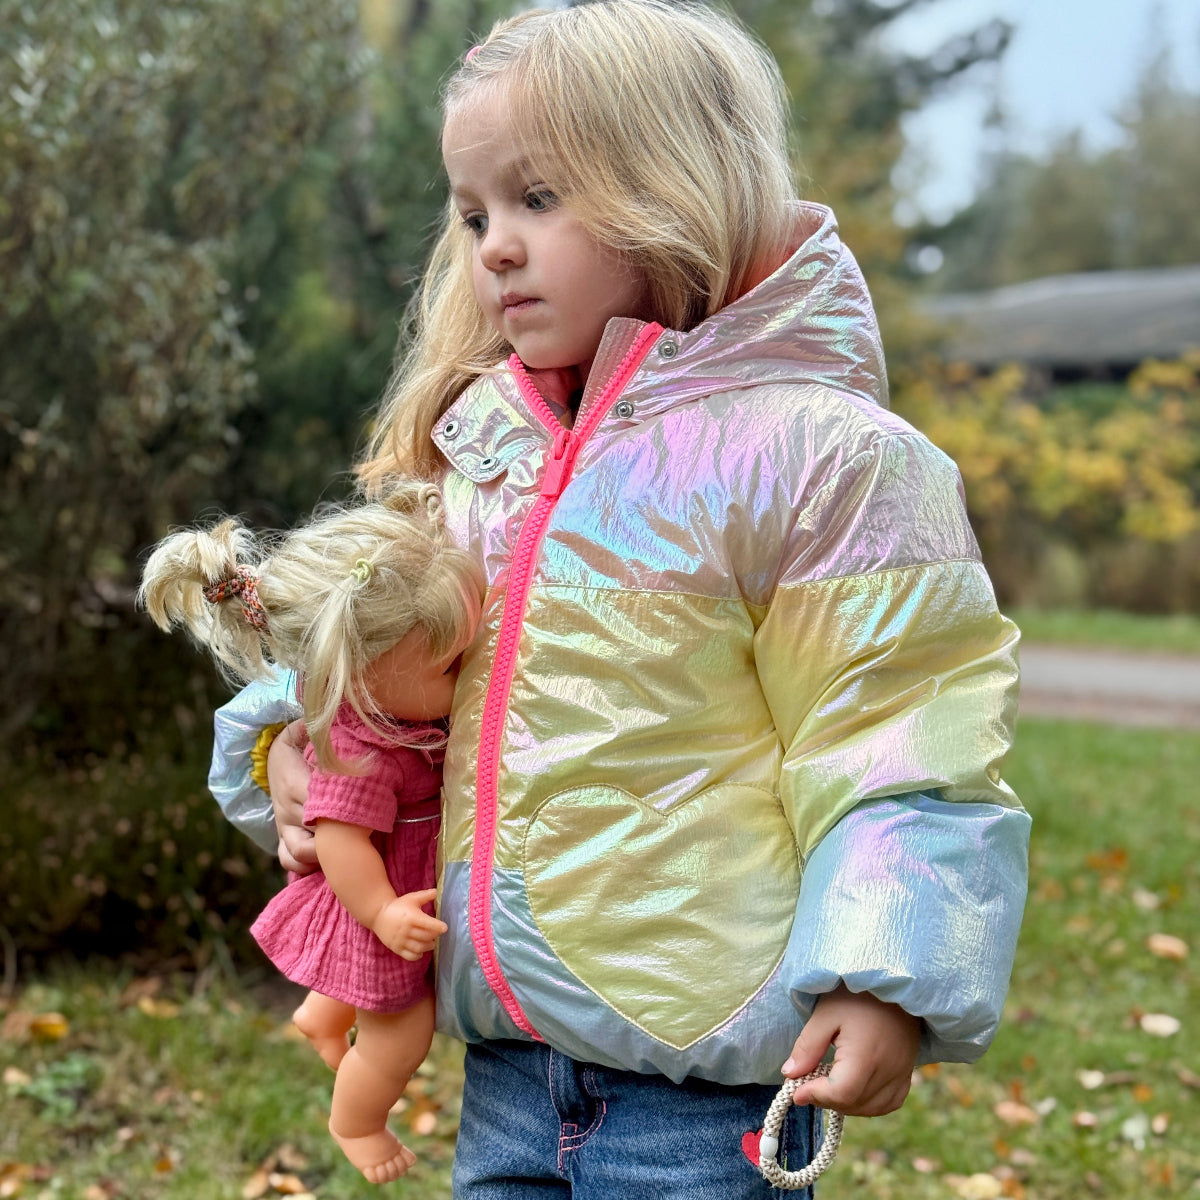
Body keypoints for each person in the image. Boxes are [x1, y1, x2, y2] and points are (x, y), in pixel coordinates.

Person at [210, 2, 1030, 1196]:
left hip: (697, 1084)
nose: (492, 245)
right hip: (503, 1064)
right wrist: (291, 741)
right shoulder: (486, 455)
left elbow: (899, 729)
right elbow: (376, 649)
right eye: (475, 210)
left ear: (676, 184)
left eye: (540, 199)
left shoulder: (819, 457)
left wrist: (878, 969)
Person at [140, 482, 483, 1183]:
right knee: (401, 1030)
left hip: (389, 885)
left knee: (359, 979)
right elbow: (338, 842)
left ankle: (323, 1017)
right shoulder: (362, 749)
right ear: (361, 673)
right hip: (382, 894)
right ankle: (356, 1121)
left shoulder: (395, 711)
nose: (467, 671)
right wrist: (382, 911)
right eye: (450, 665)